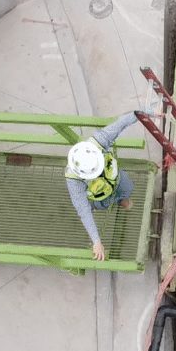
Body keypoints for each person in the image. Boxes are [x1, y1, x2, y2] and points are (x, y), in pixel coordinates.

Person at [65, 111, 141, 261]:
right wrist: (97, 241)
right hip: (100, 195)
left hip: (115, 179)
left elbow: (121, 124)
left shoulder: (97, 142)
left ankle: (122, 198)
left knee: (126, 186)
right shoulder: (73, 180)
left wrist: (147, 112)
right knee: (105, 203)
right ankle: (117, 201)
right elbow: (84, 211)